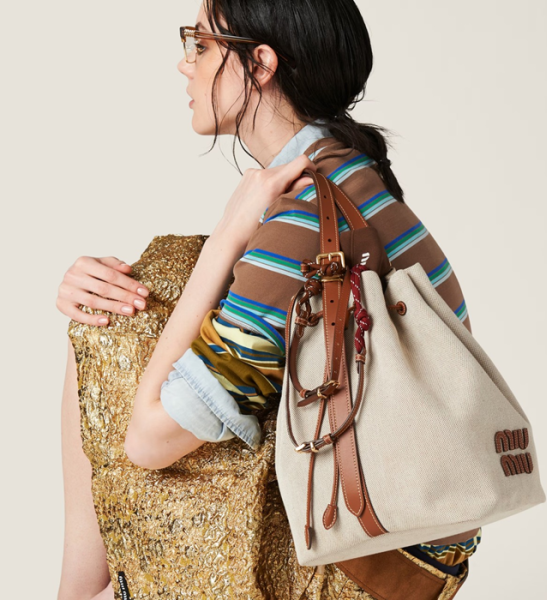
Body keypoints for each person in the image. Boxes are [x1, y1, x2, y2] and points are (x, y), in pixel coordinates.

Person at [56, 1, 482, 598]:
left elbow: (146, 441)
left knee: (110, 329)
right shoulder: (352, 176)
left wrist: (226, 238)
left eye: (201, 45)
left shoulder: (303, 218)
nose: (185, 65)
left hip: (363, 564)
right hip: (419, 540)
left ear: (259, 63)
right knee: (166, 274)